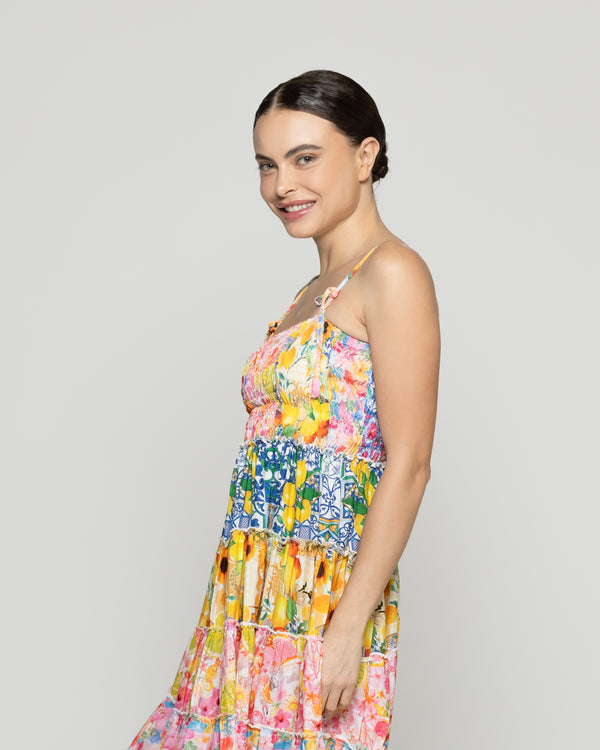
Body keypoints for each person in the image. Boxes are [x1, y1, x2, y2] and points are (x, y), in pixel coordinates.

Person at [128, 69, 440, 750]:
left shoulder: (392, 273)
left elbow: (410, 463)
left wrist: (348, 625)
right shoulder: (311, 292)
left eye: (304, 158)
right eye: (267, 165)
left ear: (364, 156)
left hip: (322, 597)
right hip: (250, 587)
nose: (281, 186)